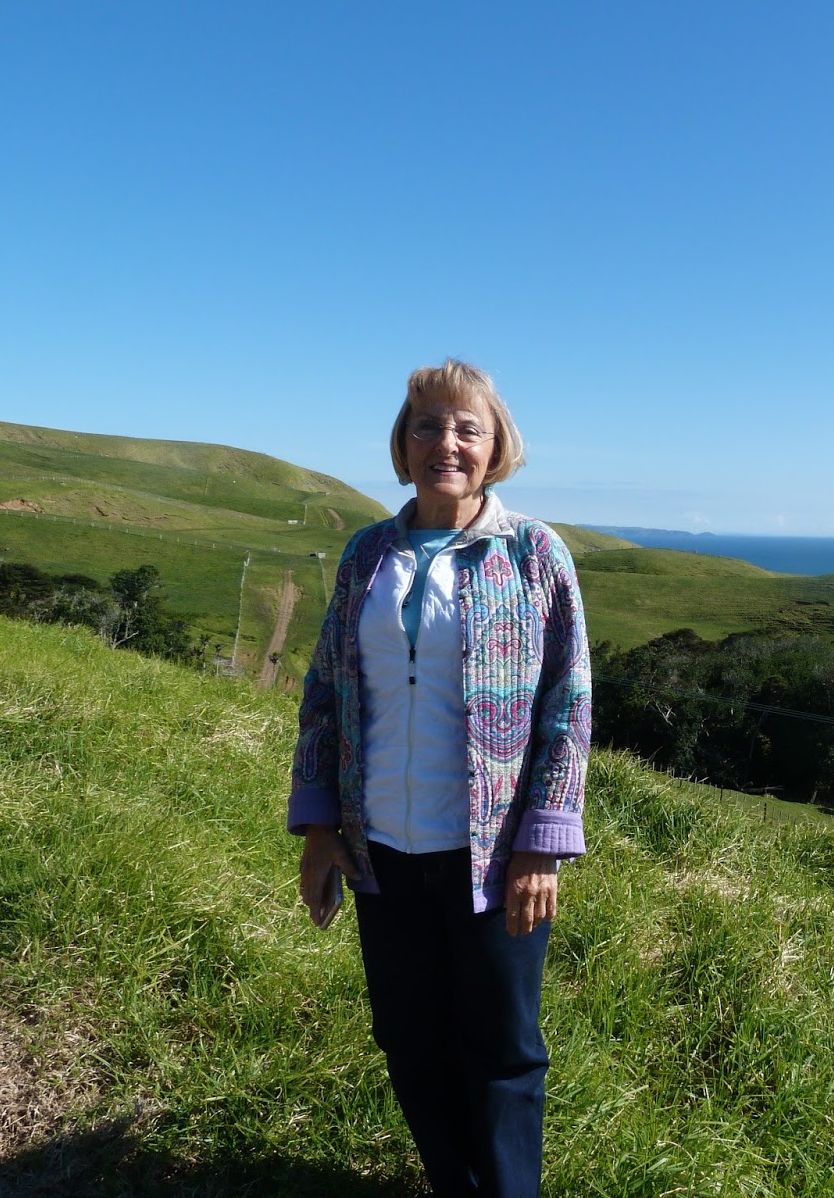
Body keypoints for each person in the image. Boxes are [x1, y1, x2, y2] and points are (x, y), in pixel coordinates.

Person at [289, 359, 591, 1198]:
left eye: (467, 428)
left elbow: (569, 701)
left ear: (495, 448)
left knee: (503, 1051)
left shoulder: (533, 552)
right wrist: (319, 827)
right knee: (410, 1039)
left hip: (491, 856)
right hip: (381, 847)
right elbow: (325, 690)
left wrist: (542, 843)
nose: (446, 443)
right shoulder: (367, 554)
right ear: (404, 442)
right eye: (428, 425)